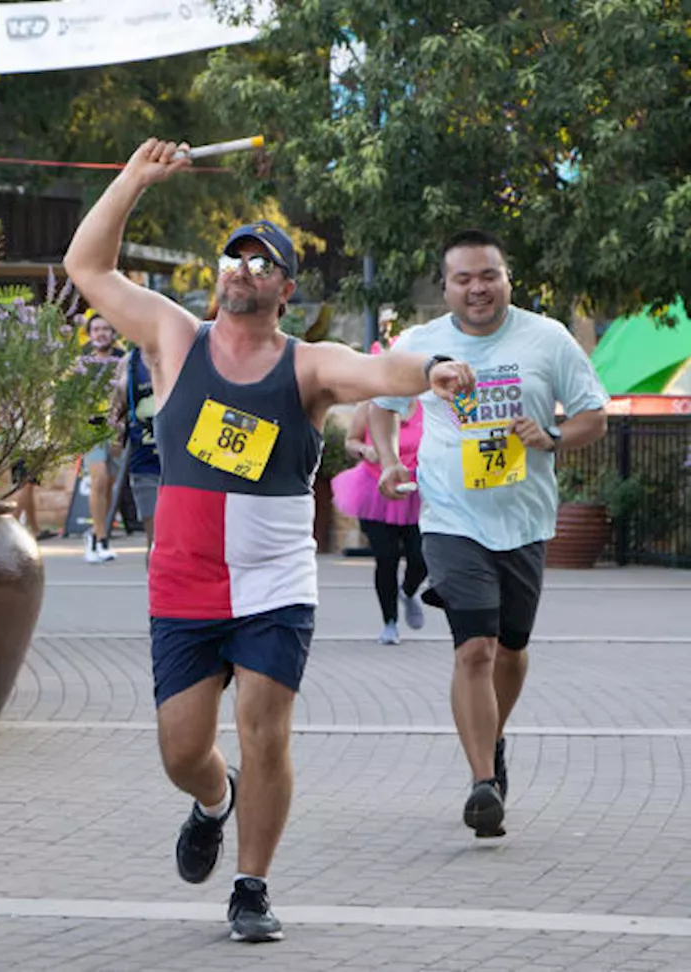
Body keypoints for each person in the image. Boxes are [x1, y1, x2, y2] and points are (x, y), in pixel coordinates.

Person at [63, 138, 476, 944]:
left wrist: (435, 372)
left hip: (274, 580)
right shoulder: (174, 338)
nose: (243, 270)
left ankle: (251, 887)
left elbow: (380, 371)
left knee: (264, 726)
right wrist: (132, 179)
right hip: (183, 580)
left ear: (285, 288)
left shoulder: (307, 365)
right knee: (183, 749)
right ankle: (215, 801)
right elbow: (87, 268)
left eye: (261, 263)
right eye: (234, 257)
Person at [369, 228, 608, 840]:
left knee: (511, 648)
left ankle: (493, 735)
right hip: (450, 517)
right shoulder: (423, 344)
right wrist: (392, 459)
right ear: (445, 286)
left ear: (506, 278)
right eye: (463, 278)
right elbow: (381, 400)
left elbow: (594, 415)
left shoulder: (546, 338)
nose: (478, 288)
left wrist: (552, 439)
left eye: (488, 275)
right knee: (474, 647)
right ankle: (483, 782)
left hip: (524, 519)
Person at [331, 394, 427, 644]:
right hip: (375, 489)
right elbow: (350, 441)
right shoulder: (370, 404)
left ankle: (408, 592)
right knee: (387, 558)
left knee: (421, 557)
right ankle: (390, 623)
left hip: (416, 492)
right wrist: (365, 450)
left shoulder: (426, 405)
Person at [79, 310, 127, 563]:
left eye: (106, 329)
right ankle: (100, 539)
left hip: (117, 428)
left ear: (113, 333)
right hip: (92, 427)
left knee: (109, 483)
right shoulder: (82, 360)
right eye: (97, 329)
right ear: (90, 334)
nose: (101, 333)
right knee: (97, 479)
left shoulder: (123, 359)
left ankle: (99, 531)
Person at [111, 344, 161, 564]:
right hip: (145, 460)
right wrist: (116, 433)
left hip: (182, 463)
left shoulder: (184, 349)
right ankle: (157, 595)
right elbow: (116, 409)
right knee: (155, 539)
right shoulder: (129, 362)